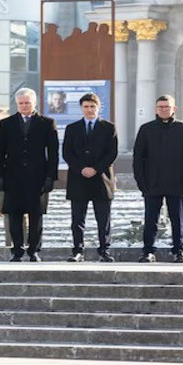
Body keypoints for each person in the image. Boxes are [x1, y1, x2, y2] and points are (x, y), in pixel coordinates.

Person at [0, 88, 59, 262]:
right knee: (14, 214)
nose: (24, 106)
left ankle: (33, 250)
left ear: (34, 103)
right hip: (13, 176)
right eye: (21, 103)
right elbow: (0, 151)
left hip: (37, 176)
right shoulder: (7, 123)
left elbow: (53, 153)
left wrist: (50, 176)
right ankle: (17, 249)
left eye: (27, 103)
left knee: (36, 214)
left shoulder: (47, 123)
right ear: (17, 104)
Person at [132, 95, 183, 263]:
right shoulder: (146, 129)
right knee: (150, 220)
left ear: (174, 109)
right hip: (152, 183)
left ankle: (179, 251)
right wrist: (141, 181)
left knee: (177, 220)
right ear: (156, 109)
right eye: (160, 107)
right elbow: (138, 158)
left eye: (167, 107)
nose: (163, 110)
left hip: (178, 183)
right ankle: (148, 251)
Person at [62, 93, 118, 263]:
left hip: (101, 179)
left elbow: (112, 153)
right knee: (77, 219)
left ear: (98, 107)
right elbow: (67, 153)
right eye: (86, 106)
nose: (89, 110)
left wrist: (96, 169)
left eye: (92, 106)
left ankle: (104, 251)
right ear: (81, 108)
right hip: (79, 178)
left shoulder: (109, 128)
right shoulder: (72, 128)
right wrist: (82, 168)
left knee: (103, 219)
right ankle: (78, 251)